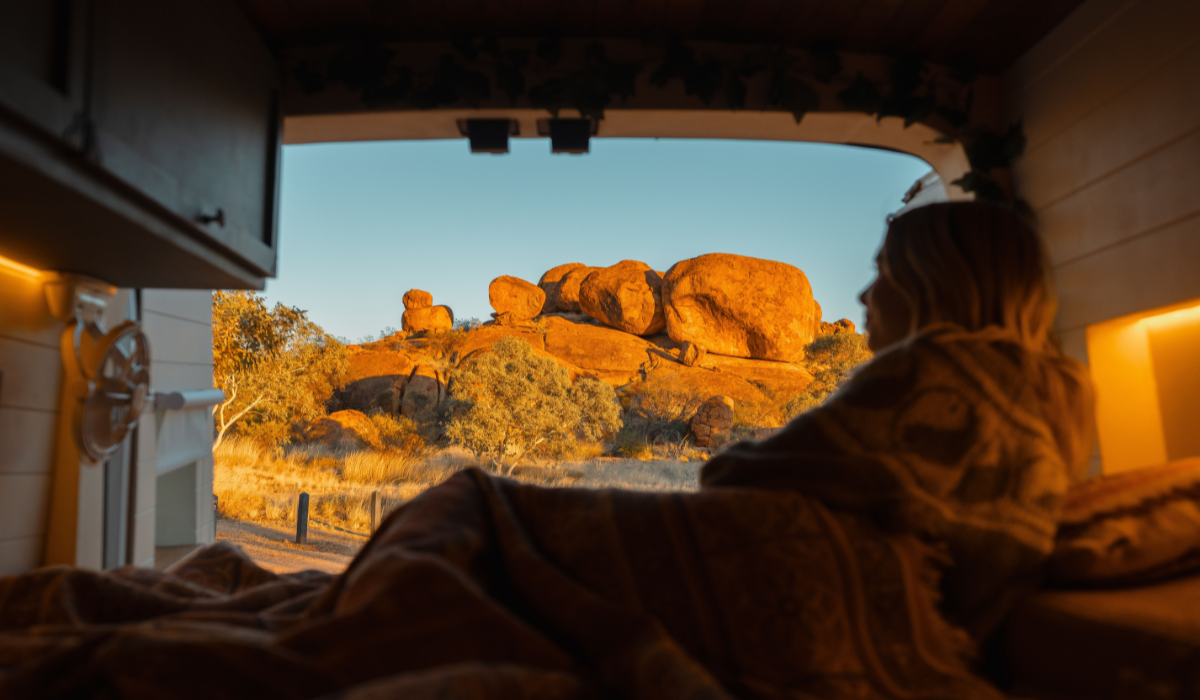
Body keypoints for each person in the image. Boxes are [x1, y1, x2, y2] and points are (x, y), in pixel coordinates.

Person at [0, 202, 1093, 700]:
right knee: (376, 560)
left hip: (789, 573)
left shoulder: (957, 367)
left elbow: (756, 474)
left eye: (887, 273)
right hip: (807, 570)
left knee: (468, 515)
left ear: (944, 282)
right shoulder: (1046, 397)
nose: (864, 295)